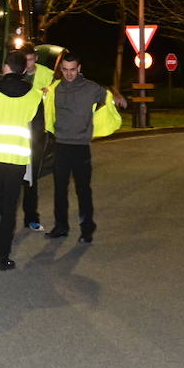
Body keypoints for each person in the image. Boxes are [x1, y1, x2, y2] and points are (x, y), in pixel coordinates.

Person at [44, 51, 126, 243]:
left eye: (72, 70)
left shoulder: (90, 88)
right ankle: (61, 226)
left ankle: (87, 228)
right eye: (65, 69)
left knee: (83, 190)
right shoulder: (55, 88)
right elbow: (44, 99)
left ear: (79, 69)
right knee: (60, 190)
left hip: (80, 147)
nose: (69, 74)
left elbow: (106, 93)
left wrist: (116, 94)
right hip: (61, 146)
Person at [0, 51, 45, 271]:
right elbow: (38, 131)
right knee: (9, 208)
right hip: (17, 158)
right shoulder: (35, 95)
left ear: (5, 67)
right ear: (24, 69)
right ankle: (3, 256)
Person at [19, 46, 54, 231]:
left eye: (31, 60)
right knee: (8, 175)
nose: (28, 64)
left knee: (31, 177)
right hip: (16, 130)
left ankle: (31, 217)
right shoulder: (15, 73)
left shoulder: (48, 75)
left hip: (37, 131)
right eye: (25, 60)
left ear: (37, 58)